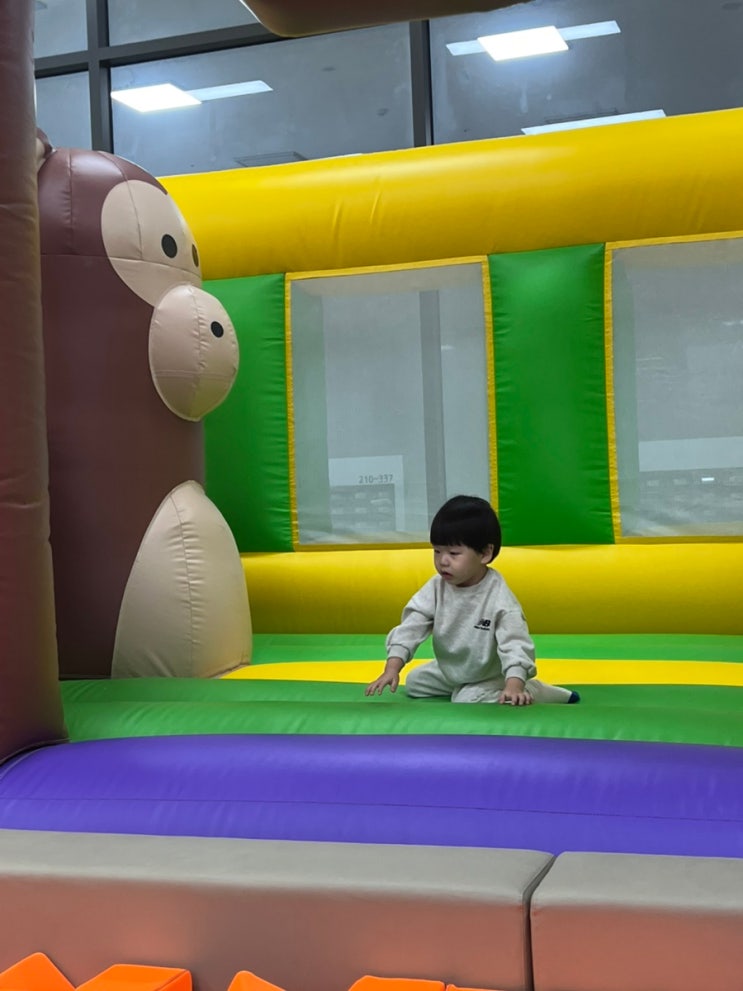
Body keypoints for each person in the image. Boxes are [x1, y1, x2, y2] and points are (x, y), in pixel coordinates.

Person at [365, 495, 580, 706]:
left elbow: (515, 643)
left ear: (485, 553)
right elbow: (412, 626)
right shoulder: (437, 587)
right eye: (437, 551)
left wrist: (514, 683)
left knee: (466, 699)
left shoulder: (498, 598)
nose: (442, 561)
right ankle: (465, 686)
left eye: (454, 553)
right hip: (453, 670)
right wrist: (392, 668)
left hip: (492, 674)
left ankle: (529, 689)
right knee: (414, 683)